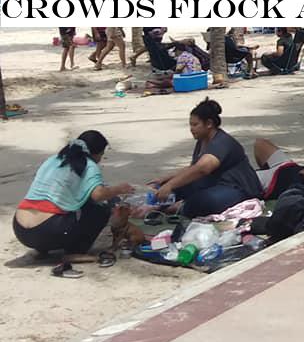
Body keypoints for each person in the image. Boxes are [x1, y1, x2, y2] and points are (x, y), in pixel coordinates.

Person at [14, 131, 133, 273]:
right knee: (102, 207)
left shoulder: (53, 160)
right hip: (48, 230)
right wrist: (119, 189)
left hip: (21, 229)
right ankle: (76, 251)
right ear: (96, 153)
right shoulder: (89, 165)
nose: (100, 159)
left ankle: (43, 250)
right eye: (101, 155)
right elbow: (98, 195)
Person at [151, 99, 263, 218]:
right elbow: (193, 168)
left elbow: (202, 169)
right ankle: (159, 206)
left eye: (195, 125)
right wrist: (165, 180)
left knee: (202, 202)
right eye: (190, 125)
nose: (191, 129)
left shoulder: (222, 142)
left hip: (236, 187)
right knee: (165, 188)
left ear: (209, 124)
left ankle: (181, 207)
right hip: (213, 183)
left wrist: (170, 185)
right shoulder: (202, 141)